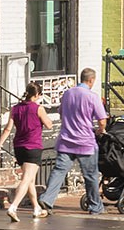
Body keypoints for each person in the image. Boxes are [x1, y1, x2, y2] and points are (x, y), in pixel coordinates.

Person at [38, 69, 108, 217]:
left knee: (59, 171)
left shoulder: (67, 94)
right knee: (90, 175)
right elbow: (102, 120)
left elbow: (61, 113)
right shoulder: (92, 97)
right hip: (85, 141)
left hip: (66, 139)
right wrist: (100, 130)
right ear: (91, 80)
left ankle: (47, 199)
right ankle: (95, 206)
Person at [0, 80, 50, 222]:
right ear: (37, 94)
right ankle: (13, 207)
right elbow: (49, 125)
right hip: (33, 146)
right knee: (26, 179)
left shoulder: (15, 108)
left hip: (19, 147)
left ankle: (36, 208)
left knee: (30, 179)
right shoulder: (38, 108)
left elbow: (7, 129)